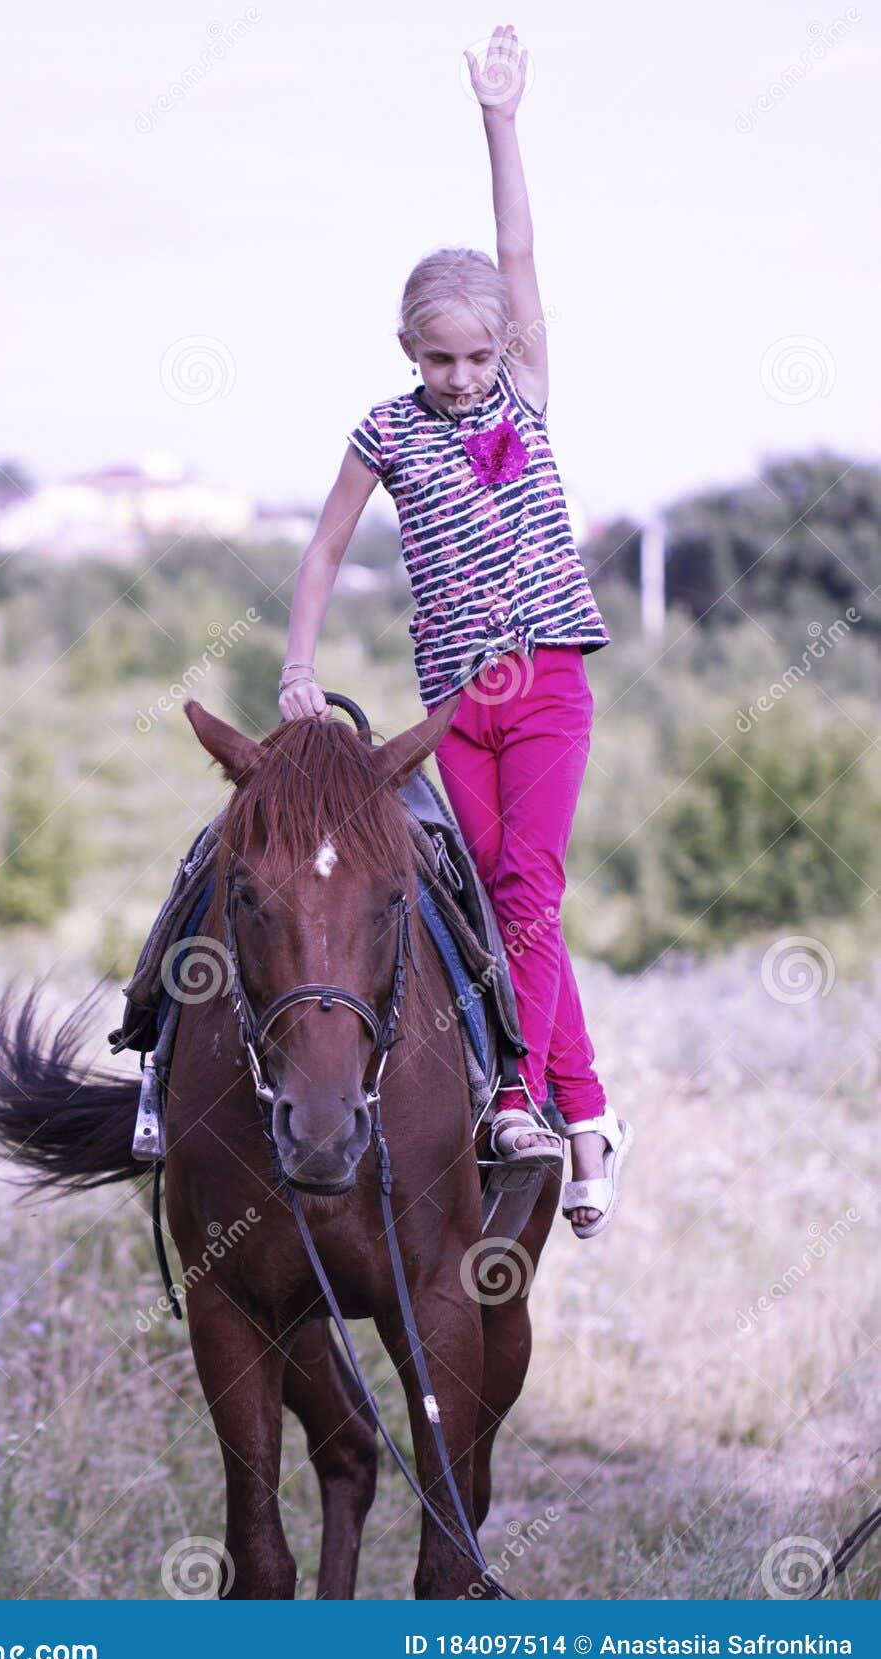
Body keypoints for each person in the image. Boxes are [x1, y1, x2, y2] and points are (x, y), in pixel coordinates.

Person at [278, 25, 631, 1239]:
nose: (465, 375)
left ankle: (524, 1100)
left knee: (529, 884)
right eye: (441, 357)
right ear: (405, 350)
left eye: (481, 355)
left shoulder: (522, 393)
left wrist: (499, 118)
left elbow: (518, 248)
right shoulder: (386, 428)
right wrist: (297, 667)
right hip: (449, 697)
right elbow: (323, 548)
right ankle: (588, 1106)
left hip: (543, 680)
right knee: (487, 890)